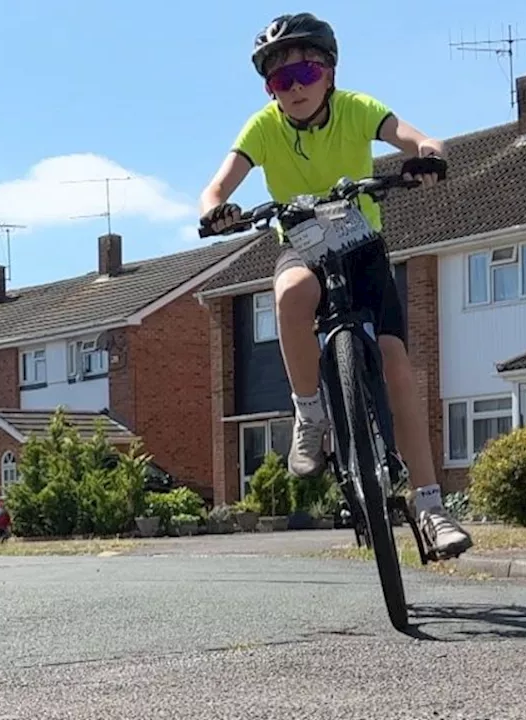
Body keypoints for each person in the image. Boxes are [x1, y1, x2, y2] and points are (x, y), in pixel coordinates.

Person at [198, 12, 472, 558]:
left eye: (305, 74)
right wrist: (215, 211)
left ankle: (431, 506)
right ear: (269, 90)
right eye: (280, 81)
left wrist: (428, 156)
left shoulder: (357, 109)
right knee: (290, 295)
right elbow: (217, 186)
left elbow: (415, 137)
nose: (294, 89)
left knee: (397, 366)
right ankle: (310, 414)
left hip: (362, 247)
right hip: (303, 247)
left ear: (329, 73)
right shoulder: (261, 128)